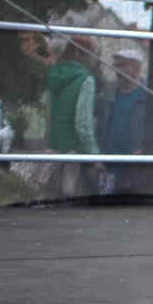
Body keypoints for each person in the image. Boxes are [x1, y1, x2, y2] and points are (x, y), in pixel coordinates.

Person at [44, 33, 100, 196]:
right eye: (91, 55)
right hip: (73, 153)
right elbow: (83, 124)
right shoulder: (86, 80)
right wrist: (95, 156)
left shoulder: (54, 74)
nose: (93, 61)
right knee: (70, 205)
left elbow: (48, 115)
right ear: (79, 54)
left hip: (54, 150)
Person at [101, 47, 148, 194]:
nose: (116, 70)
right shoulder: (110, 95)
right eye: (115, 65)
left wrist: (144, 149)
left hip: (133, 169)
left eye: (122, 65)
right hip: (108, 166)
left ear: (136, 68)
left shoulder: (148, 97)